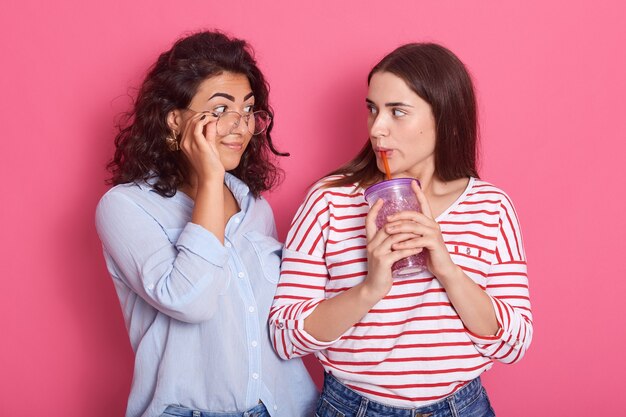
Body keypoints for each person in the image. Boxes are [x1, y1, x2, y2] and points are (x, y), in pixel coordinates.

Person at [270, 43, 532, 417]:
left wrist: (446, 268)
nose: (377, 128)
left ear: (446, 118)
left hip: (463, 408)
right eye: (373, 109)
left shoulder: (491, 207)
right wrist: (371, 287)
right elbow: (284, 337)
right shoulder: (329, 202)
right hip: (353, 408)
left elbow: (514, 344)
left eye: (398, 112)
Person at [95, 31, 317, 417]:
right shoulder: (125, 207)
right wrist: (211, 179)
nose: (241, 126)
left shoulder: (255, 208)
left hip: (287, 404)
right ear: (174, 121)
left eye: (248, 110)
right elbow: (191, 302)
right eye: (219, 110)